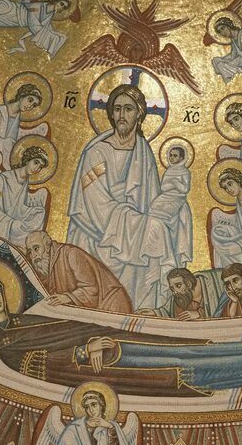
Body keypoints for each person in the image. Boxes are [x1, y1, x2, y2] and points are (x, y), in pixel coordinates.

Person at [0, 272, 242, 397]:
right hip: (101, 363)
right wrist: (83, 351)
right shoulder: (5, 344)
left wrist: (93, 337)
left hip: (112, 339)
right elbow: (41, 367)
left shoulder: (25, 320)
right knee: (181, 368)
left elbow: (70, 329)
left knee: (186, 349)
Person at [67, 84, 178, 309]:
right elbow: (94, 198)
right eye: (117, 109)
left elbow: (150, 198)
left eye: (128, 109)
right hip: (98, 232)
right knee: (153, 232)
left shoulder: (143, 152)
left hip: (131, 231)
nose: (121, 115)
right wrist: (133, 222)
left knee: (159, 233)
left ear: (139, 114)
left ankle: (146, 313)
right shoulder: (98, 152)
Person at [23, 230, 132, 313]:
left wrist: (67, 297)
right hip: (91, 312)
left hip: (111, 306)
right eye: (30, 251)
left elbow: (91, 289)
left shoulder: (71, 254)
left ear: (47, 246)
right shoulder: (44, 264)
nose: (33, 255)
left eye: (36, 248)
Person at [0, 145, 49, 246]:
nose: (37, 168)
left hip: (7, 220)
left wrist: (30, 211)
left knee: (40, 213)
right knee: (17, 227)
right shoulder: (3, 179)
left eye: (40, 167)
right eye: (36, 162)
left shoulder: (25, 182)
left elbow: (17, 208)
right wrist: (10, 222)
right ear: (28, 159)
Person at [149, 145, 192, 268]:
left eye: (175, 156)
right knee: (151, 212)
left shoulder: (185, 172)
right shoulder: (168, 171)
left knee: (166, 216)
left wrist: (174, 183)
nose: (172, 158)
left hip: (178, 200)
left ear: (181, 158)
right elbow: (163, 188)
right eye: (170, 155)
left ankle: (171, 256)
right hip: (164, 198)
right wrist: (175, 184)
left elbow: (184, 189)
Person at [142, 266, 224, 320]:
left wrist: (200, 314)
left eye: (178, 285)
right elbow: (167, 310)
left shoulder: (212, 283)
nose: (175, 292)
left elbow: (223, 309)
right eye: (172, 288)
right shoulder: (180, 295)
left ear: (189, 284)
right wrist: (155, 313)